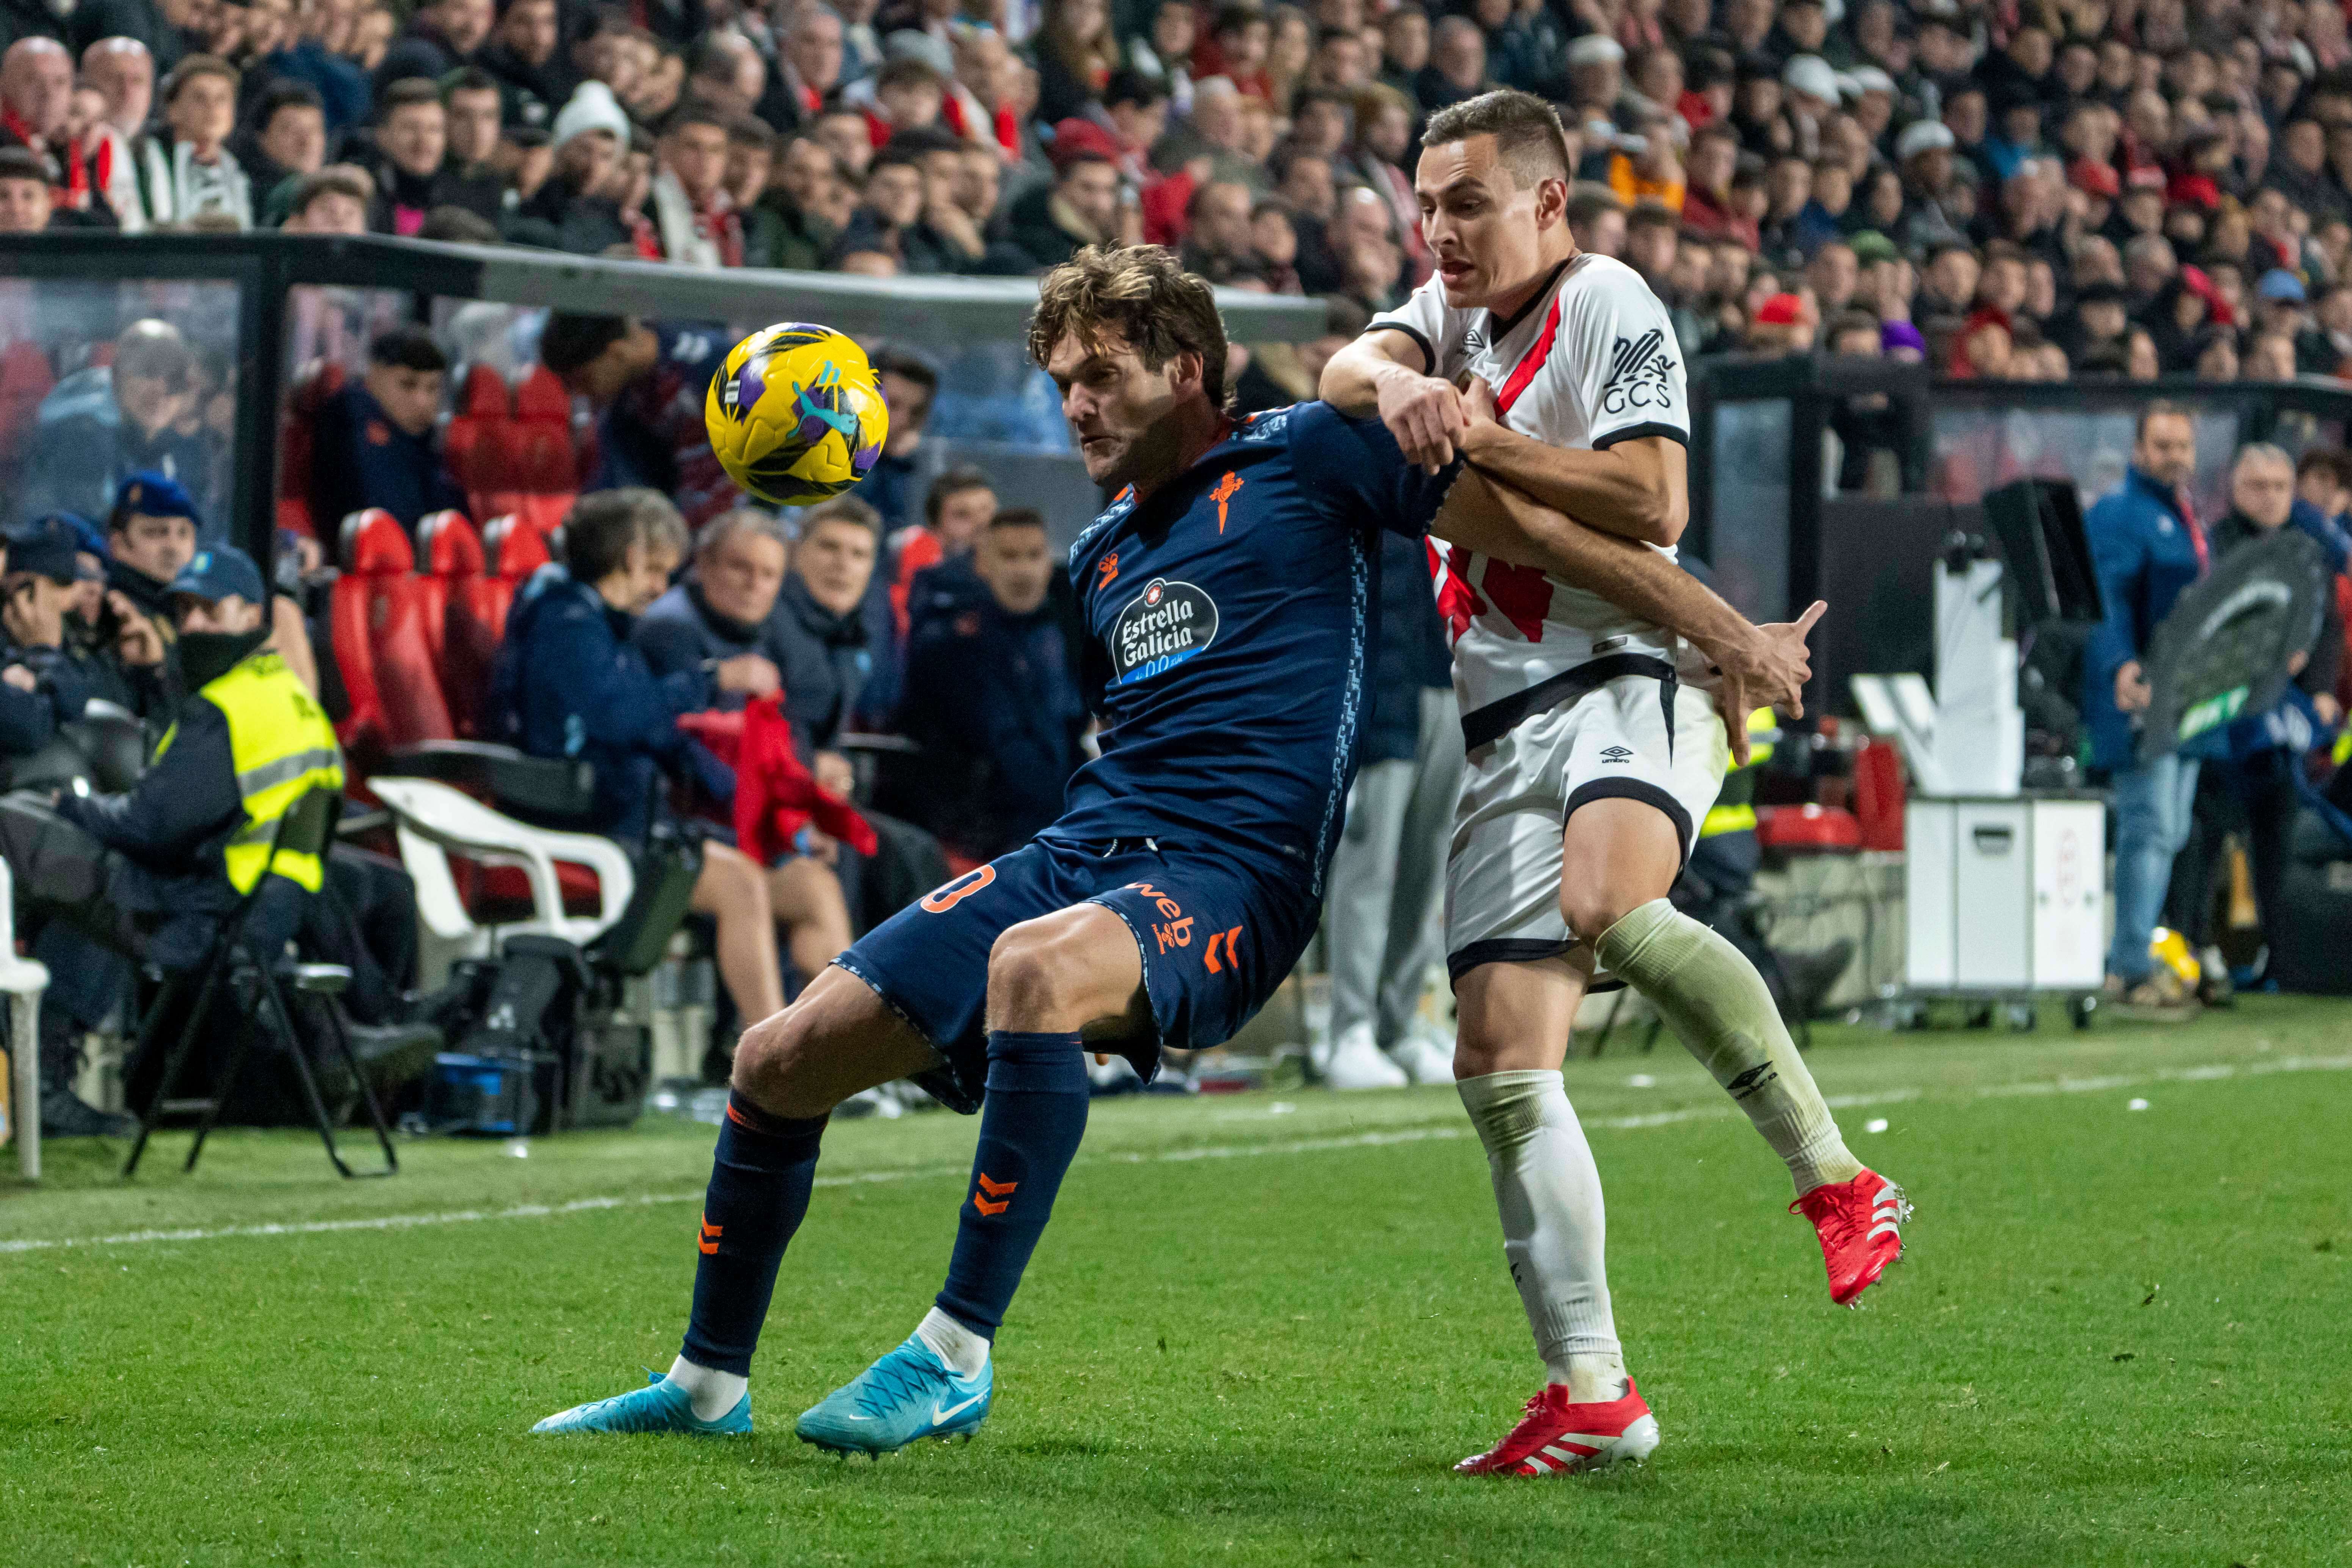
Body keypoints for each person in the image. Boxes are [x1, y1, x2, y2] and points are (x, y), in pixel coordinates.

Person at [527, 242, 1806, 1457]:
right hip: (1087, 845)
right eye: (1061, 383)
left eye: (1098, 376)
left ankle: (954, 1351)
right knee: (776, 1055)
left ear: (1185, 366)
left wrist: (1727, 633)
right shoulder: (1099, 553)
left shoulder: (1313, 452)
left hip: (1231, 874)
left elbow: (1548, 537)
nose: (1074, 406)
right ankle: (705, 1384)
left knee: (1034, 971)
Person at [1320, 89, 1899, 1475]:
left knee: (1609, 905)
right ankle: (1593, 1394)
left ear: (1548, 203)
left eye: (1470, 201)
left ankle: (1842, 1180)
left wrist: (1479, 441)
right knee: (1500, 1058)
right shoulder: (1439, 322)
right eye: (1428, 203)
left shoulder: (1609, 298)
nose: (1443, 229)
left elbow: (1651, 506)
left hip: (1632, 672)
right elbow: (1350, 368)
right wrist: (1402, 387)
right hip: (1504, 719)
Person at [0, 545, 342, 1139]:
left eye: (209, 610)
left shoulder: (226, 707)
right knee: (47, 847)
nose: (193, 626)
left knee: (18, 835)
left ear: (252, 614)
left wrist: (73, 805)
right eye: (184, 611)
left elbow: (145, 829)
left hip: (189, 919)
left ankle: (41, 1085)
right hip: (259, 912)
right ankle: (32, 1080)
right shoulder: (287, 694)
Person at [490, 488, 843, 1019]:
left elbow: (668, 736)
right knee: (740, 883)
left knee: (813, 887)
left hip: (636, 821)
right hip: (581, 824)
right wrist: (707, 681)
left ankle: (841, 1053)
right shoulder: (565, 624)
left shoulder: (606, 625)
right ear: (630, 557)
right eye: (655, 570)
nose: (660, 587)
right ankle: (770, 1059)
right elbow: (616, 719)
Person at [1316, 524, 1460, 1089]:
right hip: (1379, 696)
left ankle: (1401, 1028)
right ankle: (1348, 1030)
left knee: (1427, 877)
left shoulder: (1450, 467)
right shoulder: (1358, 465)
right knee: (1366, 874)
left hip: (1446, 683)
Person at [2084, 403, 2209, 1020]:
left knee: (2171, 829)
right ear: (2138, 450)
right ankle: (2130, 966)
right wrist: (2119, 665)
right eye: (2163, 446)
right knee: (2148, 826)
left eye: (2183, 446)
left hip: (2185, 701)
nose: (2175, 457)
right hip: (2142, 698)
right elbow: (2103, 596)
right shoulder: (2121, 514)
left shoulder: (2181, 516)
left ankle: (2132, 957)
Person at [896, 507, 1085, 861]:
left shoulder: (1073, 635)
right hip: (984, 840)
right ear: (982, 564)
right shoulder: (948, 648)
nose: (1023, 570)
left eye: (1034, 555)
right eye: (1009, 556)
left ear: (1049, 563)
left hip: (1065, 827)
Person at [537, 312, 737, 528]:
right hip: (685, 527)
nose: (578, 394)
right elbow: (624, 489)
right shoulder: (622, 405)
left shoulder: (715, 364)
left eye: (581, 380)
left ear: (618, 353)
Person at [21, 321, 210, 539]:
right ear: (118, 378)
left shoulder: (182, 447)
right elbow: (73, 536)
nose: (160, 390)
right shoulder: (80, 437)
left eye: (174, 380)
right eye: (148, 372)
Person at [309, 326, 467, 533]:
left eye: (433, 388)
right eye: (407, 385)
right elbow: (389, 520)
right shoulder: (355, 420)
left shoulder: (424, 443)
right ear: (375, 376)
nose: (423, 402)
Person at [885, 464, 994, 638]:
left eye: (986, 510)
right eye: (962, 515)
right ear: (935, 524)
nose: (981, 523)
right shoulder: (914, 553)